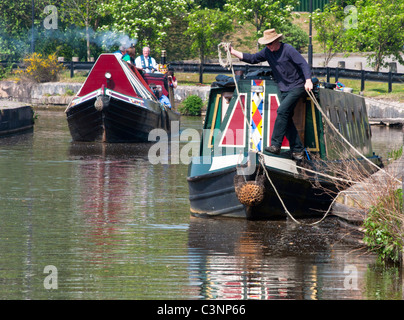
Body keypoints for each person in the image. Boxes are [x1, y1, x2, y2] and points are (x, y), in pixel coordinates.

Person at [229, 28, 313, 160]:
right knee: (286, 119)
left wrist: (308, 80)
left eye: (270, 44)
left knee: (281, 112)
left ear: (277, 41)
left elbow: (303, 64)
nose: (268, 47)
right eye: (266, 45)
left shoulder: (288, 49)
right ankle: (298, 150)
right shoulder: (267, 52)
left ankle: (275, 145)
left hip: (297, 86)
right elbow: (252, 58)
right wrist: (233, 52)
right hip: (284, 88)